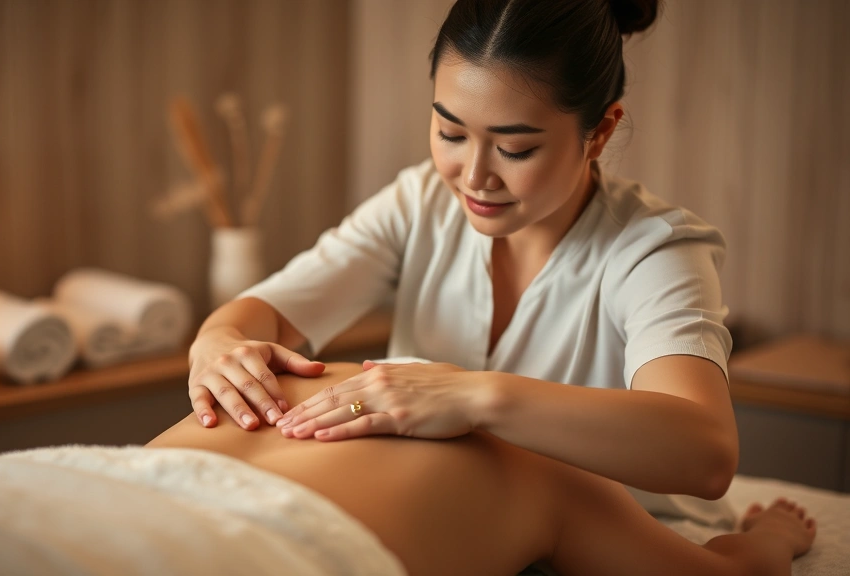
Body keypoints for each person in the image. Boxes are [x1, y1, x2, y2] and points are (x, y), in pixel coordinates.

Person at [187, 0, 738, 501]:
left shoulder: (653, 250)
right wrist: (217, 342)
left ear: (599, 134)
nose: (474, 178)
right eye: (451, 134)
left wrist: (473, 398)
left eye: (514, 148)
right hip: (439, 507)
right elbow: (266, 312)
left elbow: (706, 454)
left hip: (613, 538)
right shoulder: (420, 202)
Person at [152, 363, 815, 576]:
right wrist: (774, 539)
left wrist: (216, 343)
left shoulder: (308, 374)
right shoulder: (542, 466)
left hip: (82, 492)